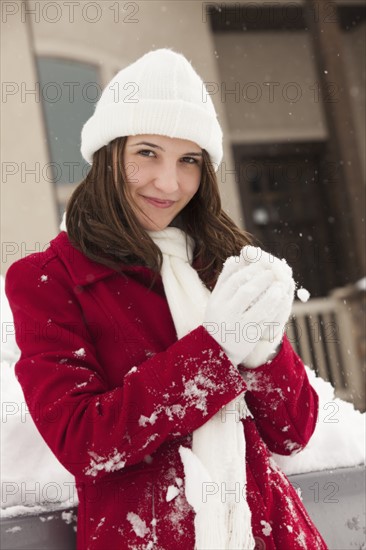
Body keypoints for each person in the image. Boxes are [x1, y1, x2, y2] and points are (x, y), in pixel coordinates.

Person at [5, 48, 327, 550]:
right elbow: (84, 441)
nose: (169, 182)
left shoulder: (224, 262)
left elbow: (292, 433)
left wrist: (261, 349)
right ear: (111, 154)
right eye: (147, 153)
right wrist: (214, 352)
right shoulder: (49, 280)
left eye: (189, 161)